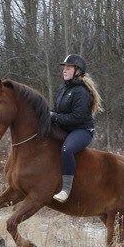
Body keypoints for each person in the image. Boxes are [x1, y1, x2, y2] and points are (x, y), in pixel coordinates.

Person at [50, 54, 103, 202]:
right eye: (64, 68)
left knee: (67, 150)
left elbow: (76, 118)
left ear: (78, 71)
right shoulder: (62, 89)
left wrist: (54, 117)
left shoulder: (81, 92)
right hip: (66, 127)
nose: (64, 70)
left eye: (68, 67)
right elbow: (56, 111)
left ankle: (66, 190)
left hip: (81, 130)